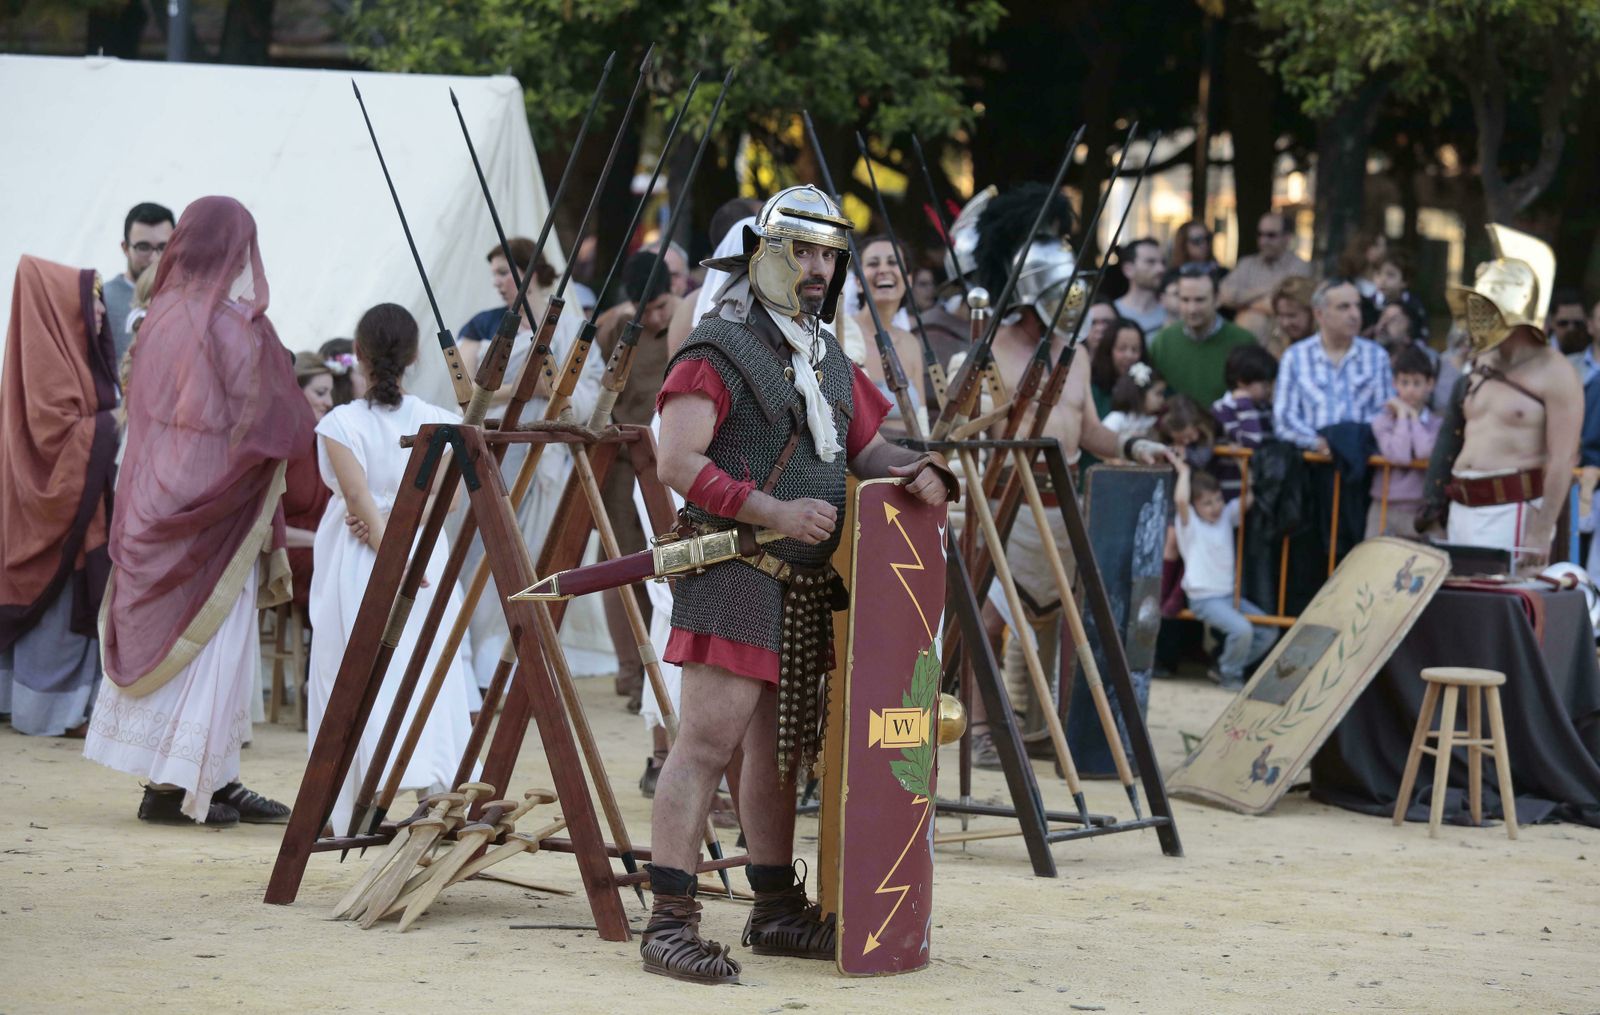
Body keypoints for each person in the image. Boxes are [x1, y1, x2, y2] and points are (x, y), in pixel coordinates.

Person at [643, 185, 957, 984]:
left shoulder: (822, 354)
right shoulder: (715, 347)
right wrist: (773, 509)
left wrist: (915, 470)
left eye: (829, 255)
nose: (819, 269)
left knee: (778, 755)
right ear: (765, 256)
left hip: (803, 585)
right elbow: (677, 461)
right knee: (705, 743)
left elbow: (866, 451)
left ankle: (775, 909)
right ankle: (669, 920)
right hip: (734, 568)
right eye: (803, 253)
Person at [84, 196, 309, 826]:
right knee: (215, 634)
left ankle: (210, 775)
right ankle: (177, 784)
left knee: (186, 626)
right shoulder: (233, 324)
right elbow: (262, 411)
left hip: (160, 487)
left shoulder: (159, 315)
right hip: (216, 492)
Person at [951, 183, 1165, 765]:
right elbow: (961, 434)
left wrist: (1136, 442)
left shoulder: (1077, 352)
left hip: (1065, 504)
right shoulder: (988, 351)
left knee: (1060, 622)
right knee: (989, 621)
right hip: (1006, 502)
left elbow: (1087, 429)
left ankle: (1046, 724)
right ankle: (979, 728)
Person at [306, 303, 478, 836]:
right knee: (424, 665)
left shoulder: (340, 423)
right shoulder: (443, 420)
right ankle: (429, 793)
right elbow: (444, 502)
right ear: (415, 357)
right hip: (418, 552)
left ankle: (355, 799)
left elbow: (359, 502)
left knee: (366, 666)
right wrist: (403, 541)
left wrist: (387, 531)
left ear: (358, 355)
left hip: (371, 557)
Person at [458, 237, 601, 687]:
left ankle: (531, 665)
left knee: (541, 559)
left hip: (548, 461)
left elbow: (590, 393)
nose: (500, 283)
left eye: (506, 272)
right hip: (498, 453)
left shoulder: (569, 328)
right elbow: (467, 395)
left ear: (530, 272)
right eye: (496, 275)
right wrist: (525, 389)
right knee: (487, 559)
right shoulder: (492, 328)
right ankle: (485, 665)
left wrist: (554, 394)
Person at [0, 257, 118, 737]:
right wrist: (118, 419)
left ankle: (60, 708)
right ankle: (48, 713)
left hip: (70, 506)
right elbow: (58, 439)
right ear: (57, 308)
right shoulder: (49, 364)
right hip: (55, 511)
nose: (102, 314)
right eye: (90, 303)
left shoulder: (65, 356)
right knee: (56, 618)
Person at [1442, 227, 1580, 570]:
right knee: (1458, 609)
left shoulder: (1557, 372)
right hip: (1461, 505)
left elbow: (1563, 459)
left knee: (1499, 612)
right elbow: (1454, 433)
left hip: (1513, 509)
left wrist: (1542, 529)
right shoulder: (1481, 361)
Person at [597, 251, 682, 712]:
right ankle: (632, 673)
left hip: (672, 459)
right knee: (620, 563)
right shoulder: (616, 330)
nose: (655, 317)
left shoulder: (689, 321)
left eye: (661, 307)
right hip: (623, 458)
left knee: (668, 561)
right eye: (646, 310)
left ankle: (665, 669)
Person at [1171, 460, 1276, 690]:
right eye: (1207, 503)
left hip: (1229, 596)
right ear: (1195, 506)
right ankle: (1230, 675)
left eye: (1218, 499)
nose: (1215, 506)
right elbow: (1180, 500)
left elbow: (1248, 498)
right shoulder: (1190, 525)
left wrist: (1243, 466)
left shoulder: (1227, 517)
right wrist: (1185, 471)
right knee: (1242, 630)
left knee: (1269, 632)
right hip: (1204, 598)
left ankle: (1224, 667)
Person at [1274, 279, 1395, 453]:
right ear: (1319, 315)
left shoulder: (1377, 356)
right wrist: (1319, 444)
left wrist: (1349, 442)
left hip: (1361, 465)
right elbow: (1284, 419)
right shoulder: (1295, 357)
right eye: (1344, 307)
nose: (1355, 314)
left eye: (1357, 306)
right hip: (1310, 465)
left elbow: (1385, 413)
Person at [1147, 264, 1259, 406]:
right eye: (1185, 300)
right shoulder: (1162, 342)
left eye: (1199, 300)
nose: (1191, 309)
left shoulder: (1243, 341)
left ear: (1217, 299)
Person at [853, 234, 928, 436]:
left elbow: (921, 419)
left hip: (910, 458)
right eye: (873, 263)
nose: (884, 270)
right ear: (858, 282)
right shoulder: (841, 334)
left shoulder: (911, 342)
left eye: (893, 262)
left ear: (908, 280)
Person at [1368, 344, 1441, 539]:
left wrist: (1413, 419)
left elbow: (1425, 451)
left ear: (1430, 384)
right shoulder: (1382, 421)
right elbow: (1398, 455)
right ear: (1394, 384)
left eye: (1417, 383)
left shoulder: (1437, 424)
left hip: (1420, 510)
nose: (1410, 390)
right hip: (1383, 507)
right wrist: (1401, 415)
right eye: (1404, 383)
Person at [284, 353, 334, 612]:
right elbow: (260, 532)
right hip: (284, 558)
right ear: (296, 390)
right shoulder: (280, 448)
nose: (329, 402)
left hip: (317, 549)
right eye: (321, 392)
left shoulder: (319, 443)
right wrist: (320, 541)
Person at [1219, 212, 1312, 342]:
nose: (1264, 241)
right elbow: (1225, 295)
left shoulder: (1299, 267)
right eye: (1260, 234)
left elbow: (1287, 305)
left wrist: (1244, 304)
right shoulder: (1247, 264)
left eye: (1271, 235)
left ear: (1287, 237)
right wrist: (1265, 290)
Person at [103, 202, 175, 366]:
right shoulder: (103, 301)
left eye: (164, 247)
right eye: (144, 247)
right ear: (125, 248)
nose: (154, 258)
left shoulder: (188, 299)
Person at [1211, 343, 1278, 499]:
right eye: (1264, 384)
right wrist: (1244, 405)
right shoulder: (1222, 409)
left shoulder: (1266, 408)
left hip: (1261, 490)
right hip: (1232, 491)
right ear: (1242, 382)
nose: (1268, 389)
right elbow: (1252, 440)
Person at [1090, 317, 1149, 418]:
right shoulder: (1092, 388)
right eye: (1122, 348)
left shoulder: (1148, 386)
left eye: (1135, 349)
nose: (1129, 355)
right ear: (1108, 350)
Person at [1370, 249, 1431, 346]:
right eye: (1378, 273)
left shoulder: (1414, 306)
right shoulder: (1369, 303)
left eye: (1390, 275)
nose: (1382, 280)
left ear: (1405, 281)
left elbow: (1421, 336)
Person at [1113, 237, 1168, 337]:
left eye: (1163, 262)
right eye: (1150, 262)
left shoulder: (1172, 313)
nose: (1161, 269)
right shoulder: (1112, 314)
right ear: (1128, 270)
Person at [1101, 363, 1165, 441]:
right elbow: (1100, 440)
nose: (1162, 399)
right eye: (1158, 394)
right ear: (1140, 393)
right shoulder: (1118, 418)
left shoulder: (1153, 421)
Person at [1269, 275, 1316, 359]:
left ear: (1312, 312)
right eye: (1280, 315)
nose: (1285, 323)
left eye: (1291, 315)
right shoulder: (1277, 340)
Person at [1547, 288, 1591, 360]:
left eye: (1578, 324)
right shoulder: (1540, 353)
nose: (1571, 328)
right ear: (1551, 322)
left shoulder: (1593, 354)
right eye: (1563, 323)